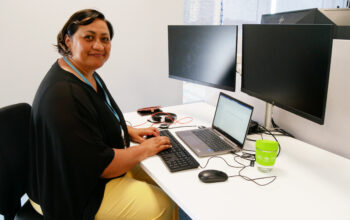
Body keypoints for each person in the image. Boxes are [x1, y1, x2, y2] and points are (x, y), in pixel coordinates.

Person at [28, 9, 176, 220]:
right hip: (69, 193)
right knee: (161, 205)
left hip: (84, 172)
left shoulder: (85, 74)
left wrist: (129, 131)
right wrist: (144, 149)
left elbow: (94, 118)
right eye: (89, 37)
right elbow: (104, 166)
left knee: (164, 174)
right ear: (68, 41)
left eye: (104, 39)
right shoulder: (63, 95)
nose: (99, 45)